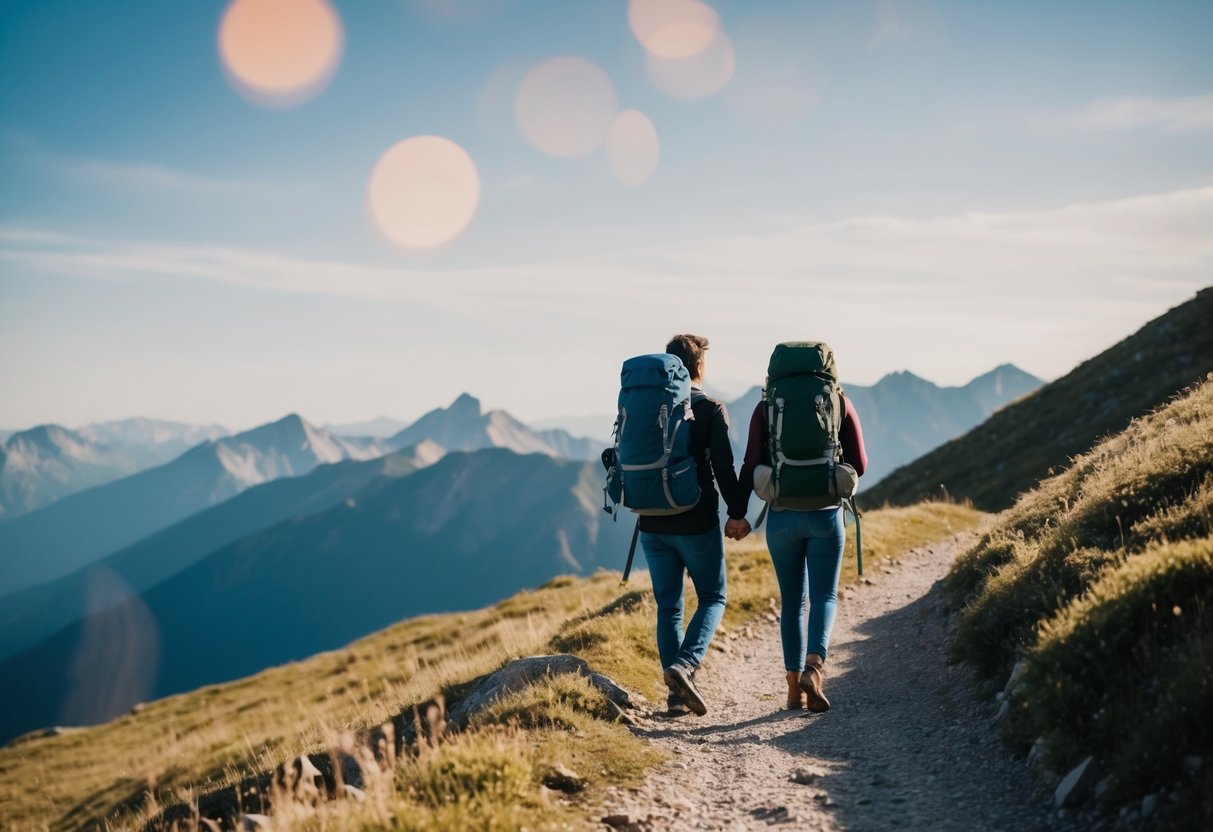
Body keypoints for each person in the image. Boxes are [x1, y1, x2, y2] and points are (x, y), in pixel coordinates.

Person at [730, 349, 868, 712]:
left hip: (781, 516)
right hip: (825, 515)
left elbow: (750, 462)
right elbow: (861, 465)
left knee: (792, 603)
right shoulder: (839, 401)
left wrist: (738, 513)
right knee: (824, 596)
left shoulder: (767, 407)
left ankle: (793, 689)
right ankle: (813, 667)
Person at [641, 334, 749, 717]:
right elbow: (724, 468)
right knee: (713, 597)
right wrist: (738, 512)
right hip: (696, 522)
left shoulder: (649, 405)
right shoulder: (710, 409)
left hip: (650, 523)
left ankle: (674, 696)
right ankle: (685, 667)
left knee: (668, 607)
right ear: (700, 367)